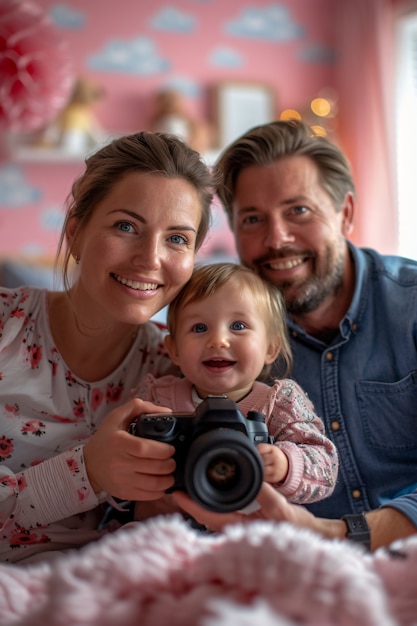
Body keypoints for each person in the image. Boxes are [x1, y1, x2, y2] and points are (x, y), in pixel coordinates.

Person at [175, 119, 417, 551]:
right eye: (253, 219)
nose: (277, 239)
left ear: (345, 213)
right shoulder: (221, 346)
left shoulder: (410, 308)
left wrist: (340, 534)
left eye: (298, 210)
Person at [0, 130, 219, 563]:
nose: (151, 259)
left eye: (177, 238)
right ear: (77, 232)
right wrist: (88, 472)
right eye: (126, 226)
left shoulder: (181, 369)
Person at [134, 262, 338, 521]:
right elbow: (117, 462)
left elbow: (327, 468)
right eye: (199, 328)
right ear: (173, 349)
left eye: (238, 326)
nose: (218, 340)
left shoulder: (278, 403)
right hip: (168, 529)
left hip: (251, 532)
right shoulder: (156, 399)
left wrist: (286, 464)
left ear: (270, 348)